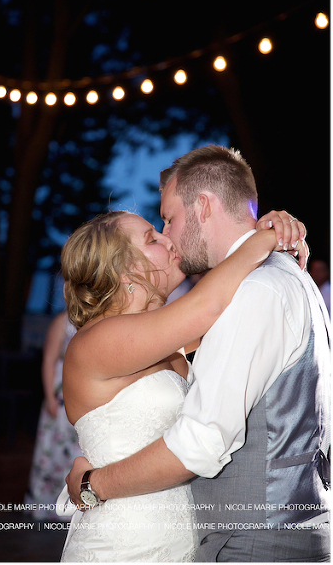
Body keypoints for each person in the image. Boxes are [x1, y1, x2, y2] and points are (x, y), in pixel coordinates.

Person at [64, 146, 328, 562]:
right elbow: (205, 305)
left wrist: (267, 237)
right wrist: (263, 237)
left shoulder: (175, 336)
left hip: (186, 541)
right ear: (123, 270)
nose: (168, 238)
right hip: (125, 540)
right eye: (153, 236)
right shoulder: (98, 341)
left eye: (165, 223)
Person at [23, 311, 82, 522]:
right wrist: (50, 397)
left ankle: (76, 507)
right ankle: (47, 505)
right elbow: (48, 360)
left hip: (85, 395)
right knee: (55, 450)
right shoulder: (62, 322)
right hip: (61, 394)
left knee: (79, 452)